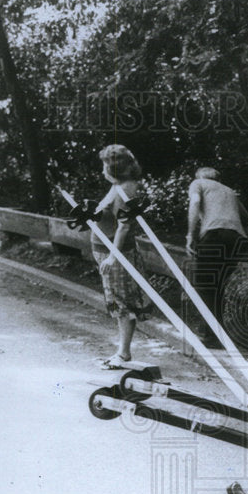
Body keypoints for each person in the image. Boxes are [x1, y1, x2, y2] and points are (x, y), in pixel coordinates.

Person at [185, 167, 248, 346]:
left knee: (204, 285)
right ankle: (219, 334)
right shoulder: (229, 192)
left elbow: (195, 202)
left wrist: (190, 235)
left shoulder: (198, 184)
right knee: (220, 285)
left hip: (215, 235)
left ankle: (211, 336)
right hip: (237, 240)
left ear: (200, 176)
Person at [91, 144, 151, 369]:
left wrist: (113, 257)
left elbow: (124, 227)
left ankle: (124, 353)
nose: (102, 170)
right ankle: (122, 351)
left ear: (114, 168)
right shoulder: (118, 186)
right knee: (117, 301)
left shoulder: (126, 189)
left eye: (105, 166)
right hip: (105, 250)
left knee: (121, 302)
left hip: (115, 253)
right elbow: (104, 214)